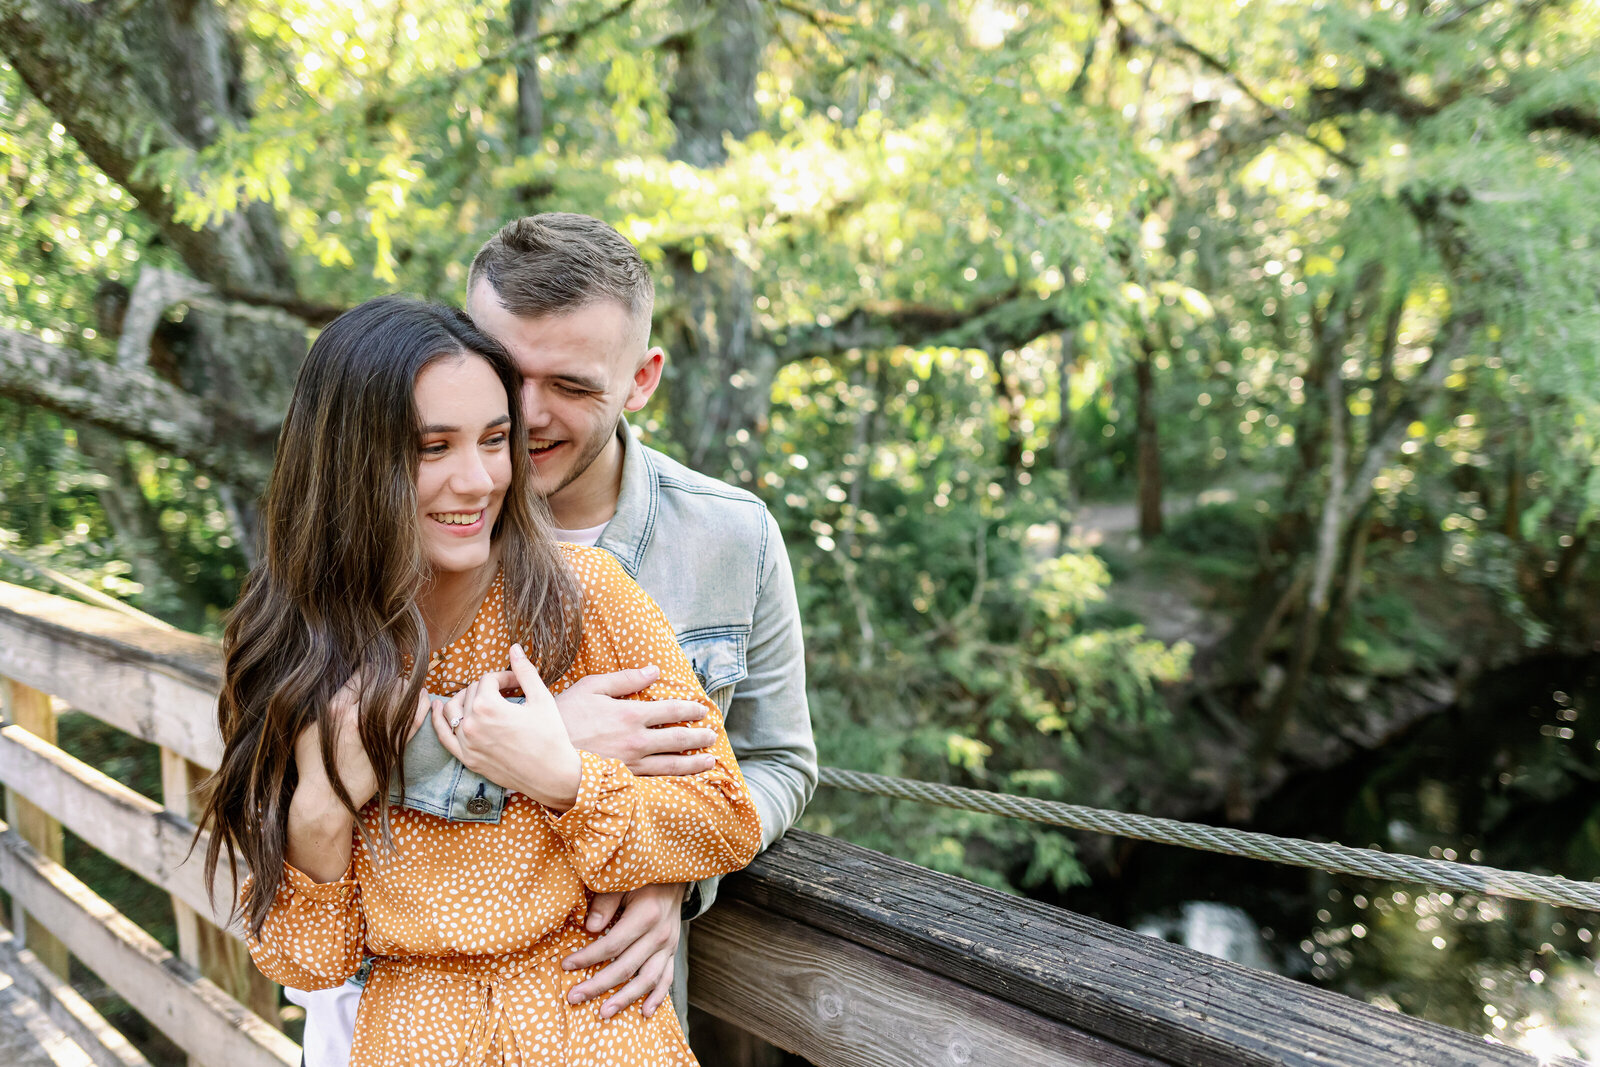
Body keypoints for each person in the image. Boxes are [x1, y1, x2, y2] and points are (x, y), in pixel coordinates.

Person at [293, 214, 818, 1066]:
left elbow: (778, 763)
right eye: (506, 372)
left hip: (593, 1011)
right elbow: (298, 759)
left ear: (642, 378)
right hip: (386, 1008)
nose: (527, 414)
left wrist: (675, 872)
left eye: (571, 384)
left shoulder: (731, 538)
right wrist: (532, 743)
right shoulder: (379, 535)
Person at [198, 296, 762, 1065]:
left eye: (495, 441)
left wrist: (566, 777)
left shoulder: (584, 595)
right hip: (409, 1036)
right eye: (433, 447)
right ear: (349, 461)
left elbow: (724, 815)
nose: (477, 480)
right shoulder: (299, 646)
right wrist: (323, 807)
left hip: (589, 1028)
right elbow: (308, 961)